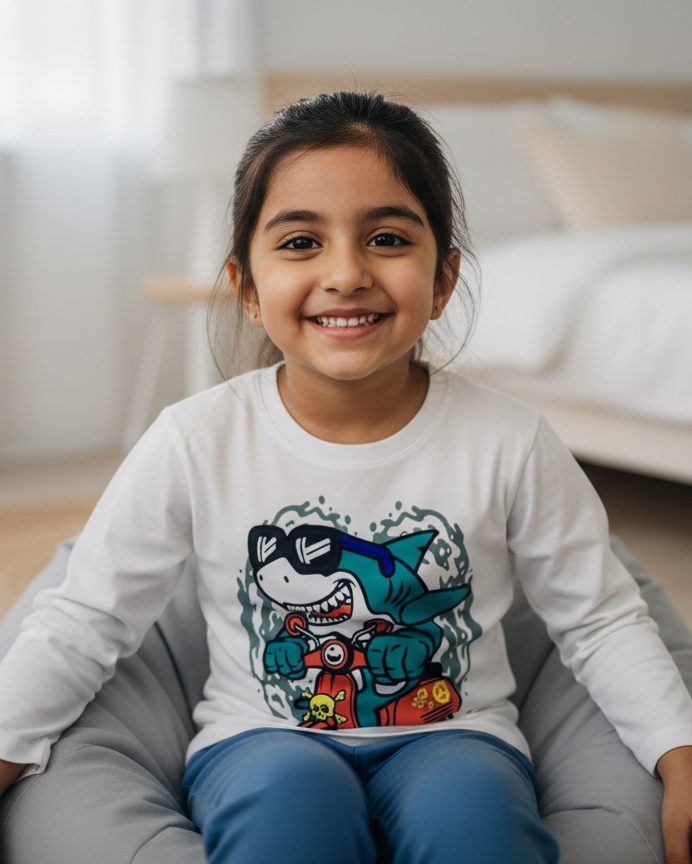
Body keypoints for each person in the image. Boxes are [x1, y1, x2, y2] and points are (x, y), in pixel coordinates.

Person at [1, 90, 692, 864]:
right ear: (248, 290)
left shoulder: (514, 440)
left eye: (387, 238)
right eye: (300, 242)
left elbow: (601, 620)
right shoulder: (194, 440)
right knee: (287, 817)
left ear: (442, 280)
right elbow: (86, 618)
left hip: (456, 735)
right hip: (258, 740)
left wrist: (679, 751)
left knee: (476, 824)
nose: (345, 273)